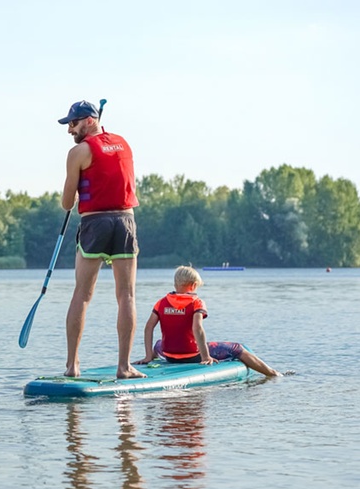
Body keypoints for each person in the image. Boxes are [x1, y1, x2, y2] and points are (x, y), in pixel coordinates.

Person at [59, 100, 145, 379]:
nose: (70, 130)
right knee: (126, 296)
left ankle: (73, 366)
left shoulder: (78, 152)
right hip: (125, 222)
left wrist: (75, 188)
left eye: (72, 123)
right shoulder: (124, 143)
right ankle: (124, 367)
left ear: (88, 121)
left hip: (95, 223)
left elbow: (66, 203)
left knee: (82, 295)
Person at [132, 266, 281, 376]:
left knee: (159, 343)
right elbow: (197, 328)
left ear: (175, 283)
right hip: (193, 356)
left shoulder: (161, 302)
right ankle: (273, 373)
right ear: (193, 285)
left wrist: (147, 356)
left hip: (169, 355)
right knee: (237, 348)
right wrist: (205, 357)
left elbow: (148, 328)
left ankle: (150, 356)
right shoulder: (196, 302)